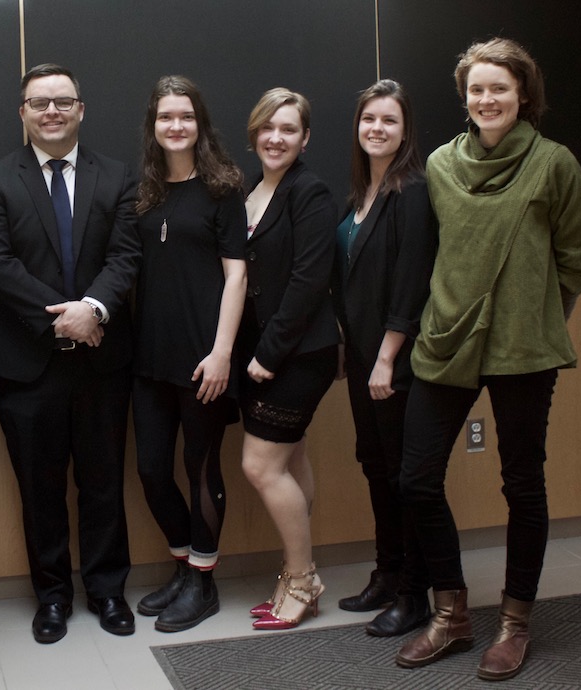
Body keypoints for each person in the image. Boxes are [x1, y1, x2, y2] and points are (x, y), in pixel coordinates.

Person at [395, 38, 581, 681]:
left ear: (523, 96)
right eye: (476, 89)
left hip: (521, 348)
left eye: (499, 89)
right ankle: (450, 615)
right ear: (464, 98)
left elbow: (575, 257)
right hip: (445, 336)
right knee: (417, 479)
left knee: (522, 485)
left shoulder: (554, 163)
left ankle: (514, 624)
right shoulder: (440, 165)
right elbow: (430, 253)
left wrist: (537, 319)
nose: (487, 99)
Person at [0, 63, 141, 644]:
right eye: (38, 103)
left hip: (102, 360)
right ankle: (51, 597)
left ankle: (108, 590)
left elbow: (125, 258)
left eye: (62, 101)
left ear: (80, 109)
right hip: (28, 361)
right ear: (22, 112)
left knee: (102, 483)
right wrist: (65, 317)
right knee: (39, 490)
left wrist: (92, 310)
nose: (51, 112)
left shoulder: (117, 177)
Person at [130, 75, 247, 633]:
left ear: (200, 124)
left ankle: (203, 582)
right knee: (152, 471)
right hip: (149, 358)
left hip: (205, 359)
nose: (175, 126)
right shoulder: (145, 192)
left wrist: (223, 353)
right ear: (153, 126)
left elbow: (237, 276)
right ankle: (183, 564)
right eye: (165, 117)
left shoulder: (224, 188)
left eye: (186, 116)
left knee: (201, 469)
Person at [332, 79, 438, 636]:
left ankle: (416, 593)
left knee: (404, 475)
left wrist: (386, 359)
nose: (376, 128)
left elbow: (411, 282)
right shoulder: (358, 198)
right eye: (368, 118)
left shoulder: (412, 191)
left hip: (395, 362)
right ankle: (388, 573)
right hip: (363, 358)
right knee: (375, 465)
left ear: (405, 130)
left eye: (389, 120)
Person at [238, 88, 339, 631]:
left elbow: (308, 280)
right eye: (267, 128)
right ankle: (293, 574)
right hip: (261, 353)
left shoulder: (310, 191)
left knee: (261, 465)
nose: (276, 138)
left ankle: (303, 580)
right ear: (254, 133)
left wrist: (267, 356)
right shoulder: (253, 189)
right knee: (292, 462)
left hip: (298, 353)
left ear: (305, 139)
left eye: (289, 130)